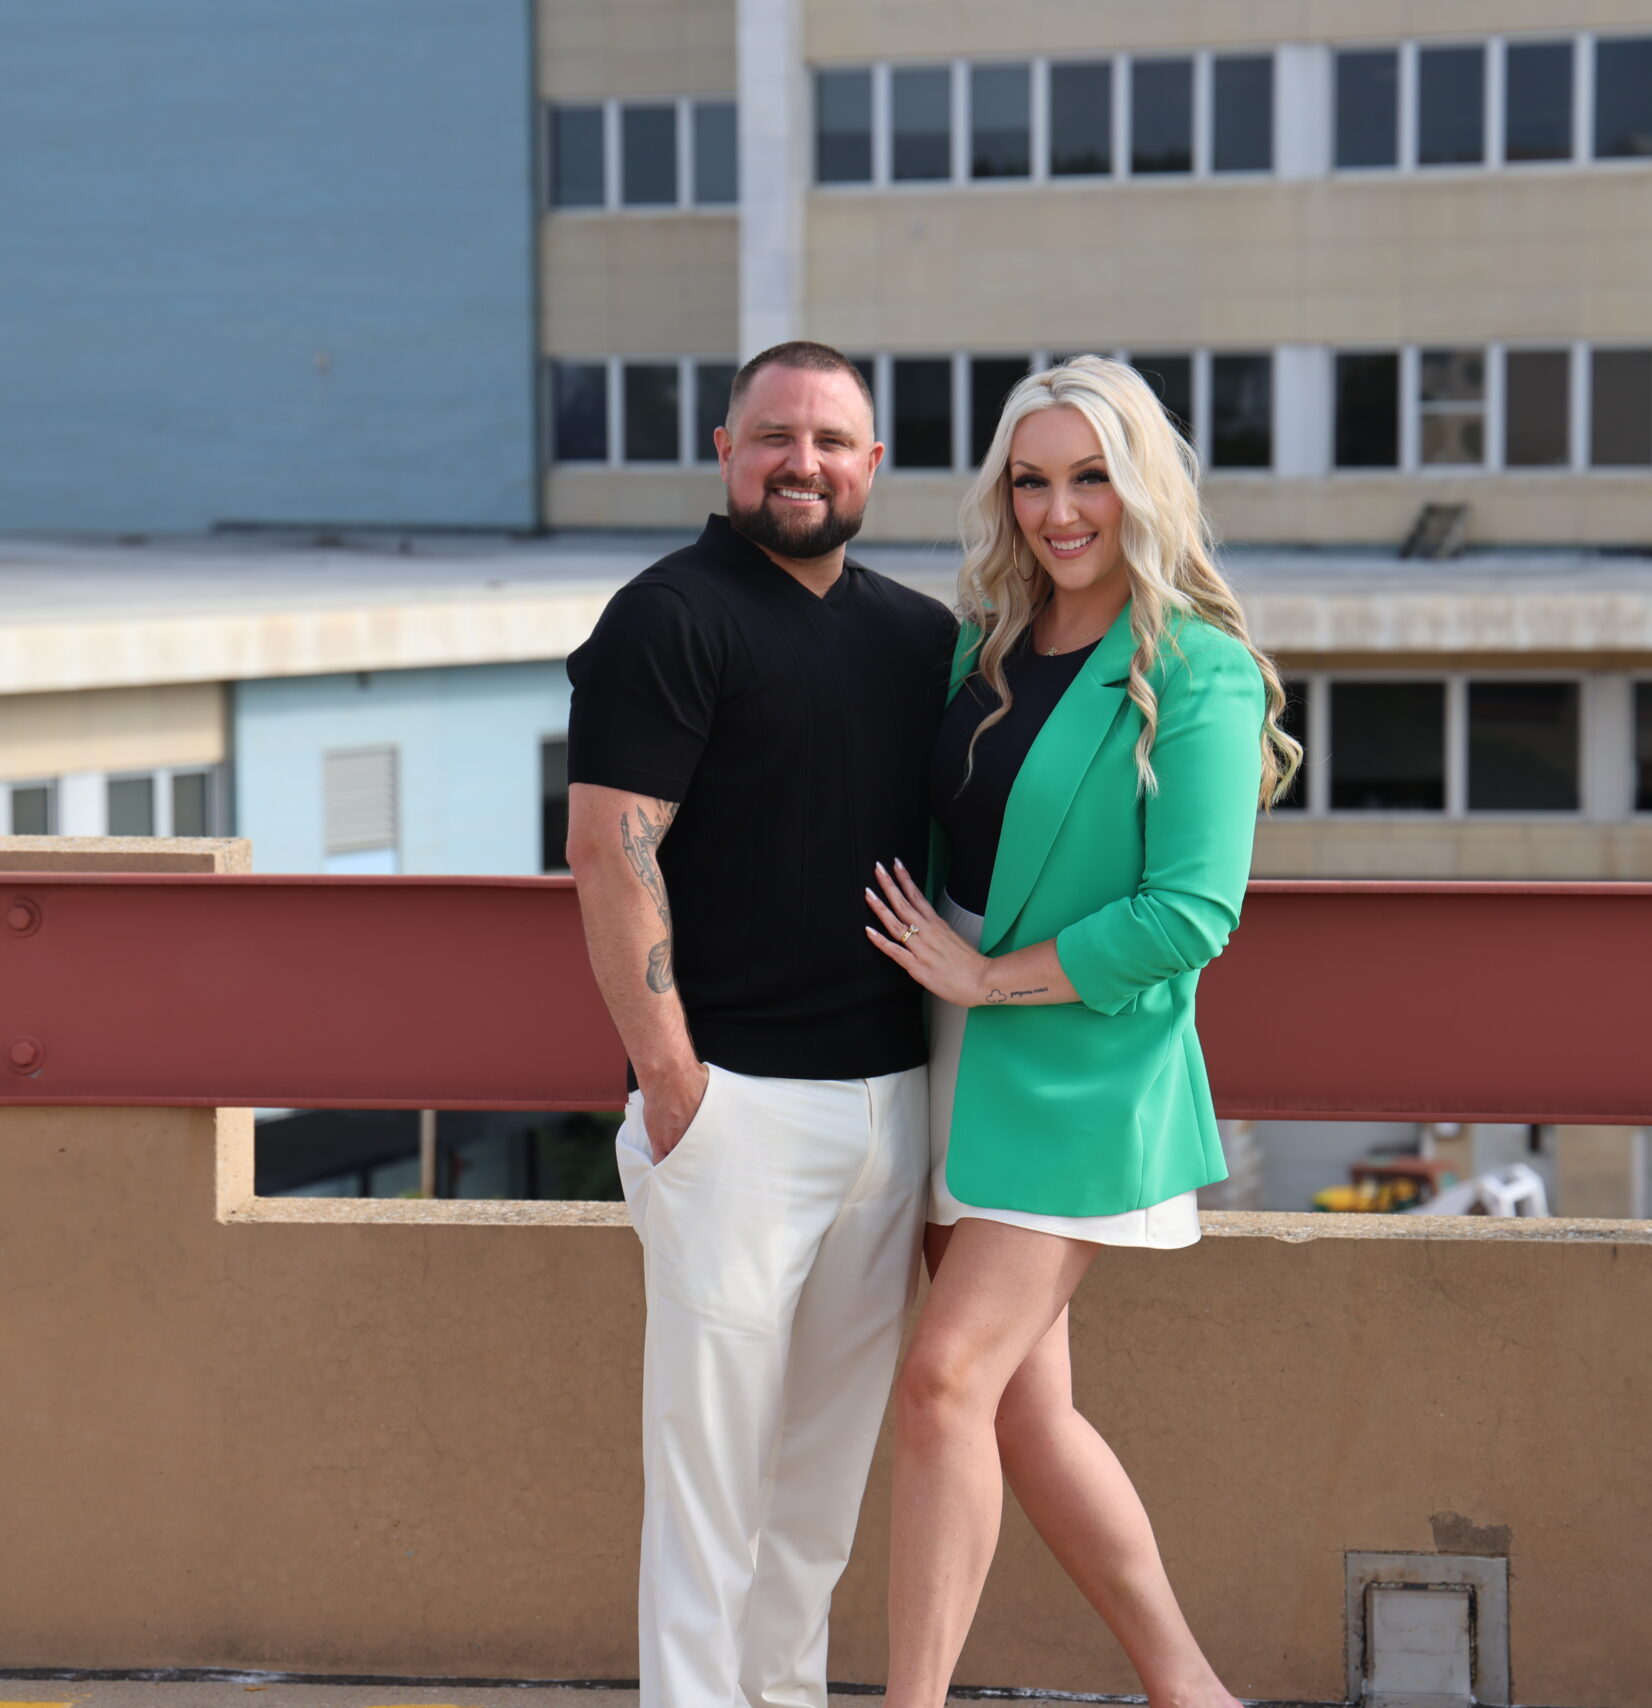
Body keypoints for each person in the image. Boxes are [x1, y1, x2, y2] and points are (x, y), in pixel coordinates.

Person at [859, 355, 1302, 1708]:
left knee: (941, 1383)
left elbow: (1190, 916)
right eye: (1034, 479)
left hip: (1083, 1065)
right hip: (949, 1060)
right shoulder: (976, 651)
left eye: (1092, 477)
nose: (1062, 511)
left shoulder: (1201, 673)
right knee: (1023, 1411)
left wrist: (989, 980)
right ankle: (1191, 1691)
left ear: (1142, 487)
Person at [563, 340, 957, 1708]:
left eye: (832, 440)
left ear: (873, 466)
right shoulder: (666, 618)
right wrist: (676, 1085)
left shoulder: (920, 637)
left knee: (817, 1498)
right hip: (733, 1109)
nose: (803, 461)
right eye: (775, 436)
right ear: (726, 452)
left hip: (887, 1111)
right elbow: (614, 855)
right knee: (709, 1491)